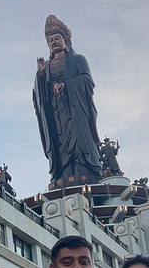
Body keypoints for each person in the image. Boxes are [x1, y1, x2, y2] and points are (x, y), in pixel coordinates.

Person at [33, 15, 103, 189]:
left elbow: (87, 82)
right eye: (50, 40)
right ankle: (63, 175)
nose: (54, 42)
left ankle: (85, 172)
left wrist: (67, 85)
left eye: (57, 38)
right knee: (60, 144)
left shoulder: (78, 59)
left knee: (80, 141)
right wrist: (41, 75)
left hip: (76, 111)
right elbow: (39, 96)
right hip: (57, 114)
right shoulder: (47, 66)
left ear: (66, 40)